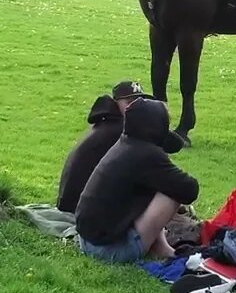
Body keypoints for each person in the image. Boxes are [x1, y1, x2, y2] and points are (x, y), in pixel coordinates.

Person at [75, 98, 200, 262]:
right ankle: (161, 250)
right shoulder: (147, 154)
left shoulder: (125, 144)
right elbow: (190, 189)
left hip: (86, 241)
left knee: (161, 184)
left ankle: (159, 247)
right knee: (171, 192)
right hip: (109, 251)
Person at [56, 80, 183, 214]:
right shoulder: (121, 128)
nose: (135, 107)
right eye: (129, 103)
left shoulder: (108, 123)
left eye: (139, 103)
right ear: (115, 103)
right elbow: (173, 144)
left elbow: (174, 144)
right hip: (79, 206)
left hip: (73, 201)